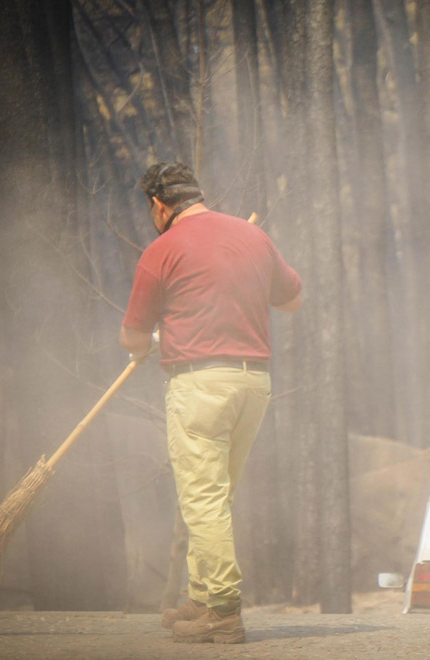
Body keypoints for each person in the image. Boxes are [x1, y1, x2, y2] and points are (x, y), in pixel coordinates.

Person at [120, 162, 302, 643]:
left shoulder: (162, 250)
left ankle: (222, 611)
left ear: (160, 206)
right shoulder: (251, 237)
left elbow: (132, 337)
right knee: (215, 497)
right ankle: (200, 600)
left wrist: (151, 340)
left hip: (200, 386)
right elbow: (292, 299)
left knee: (202, 500)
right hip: (253, 384)